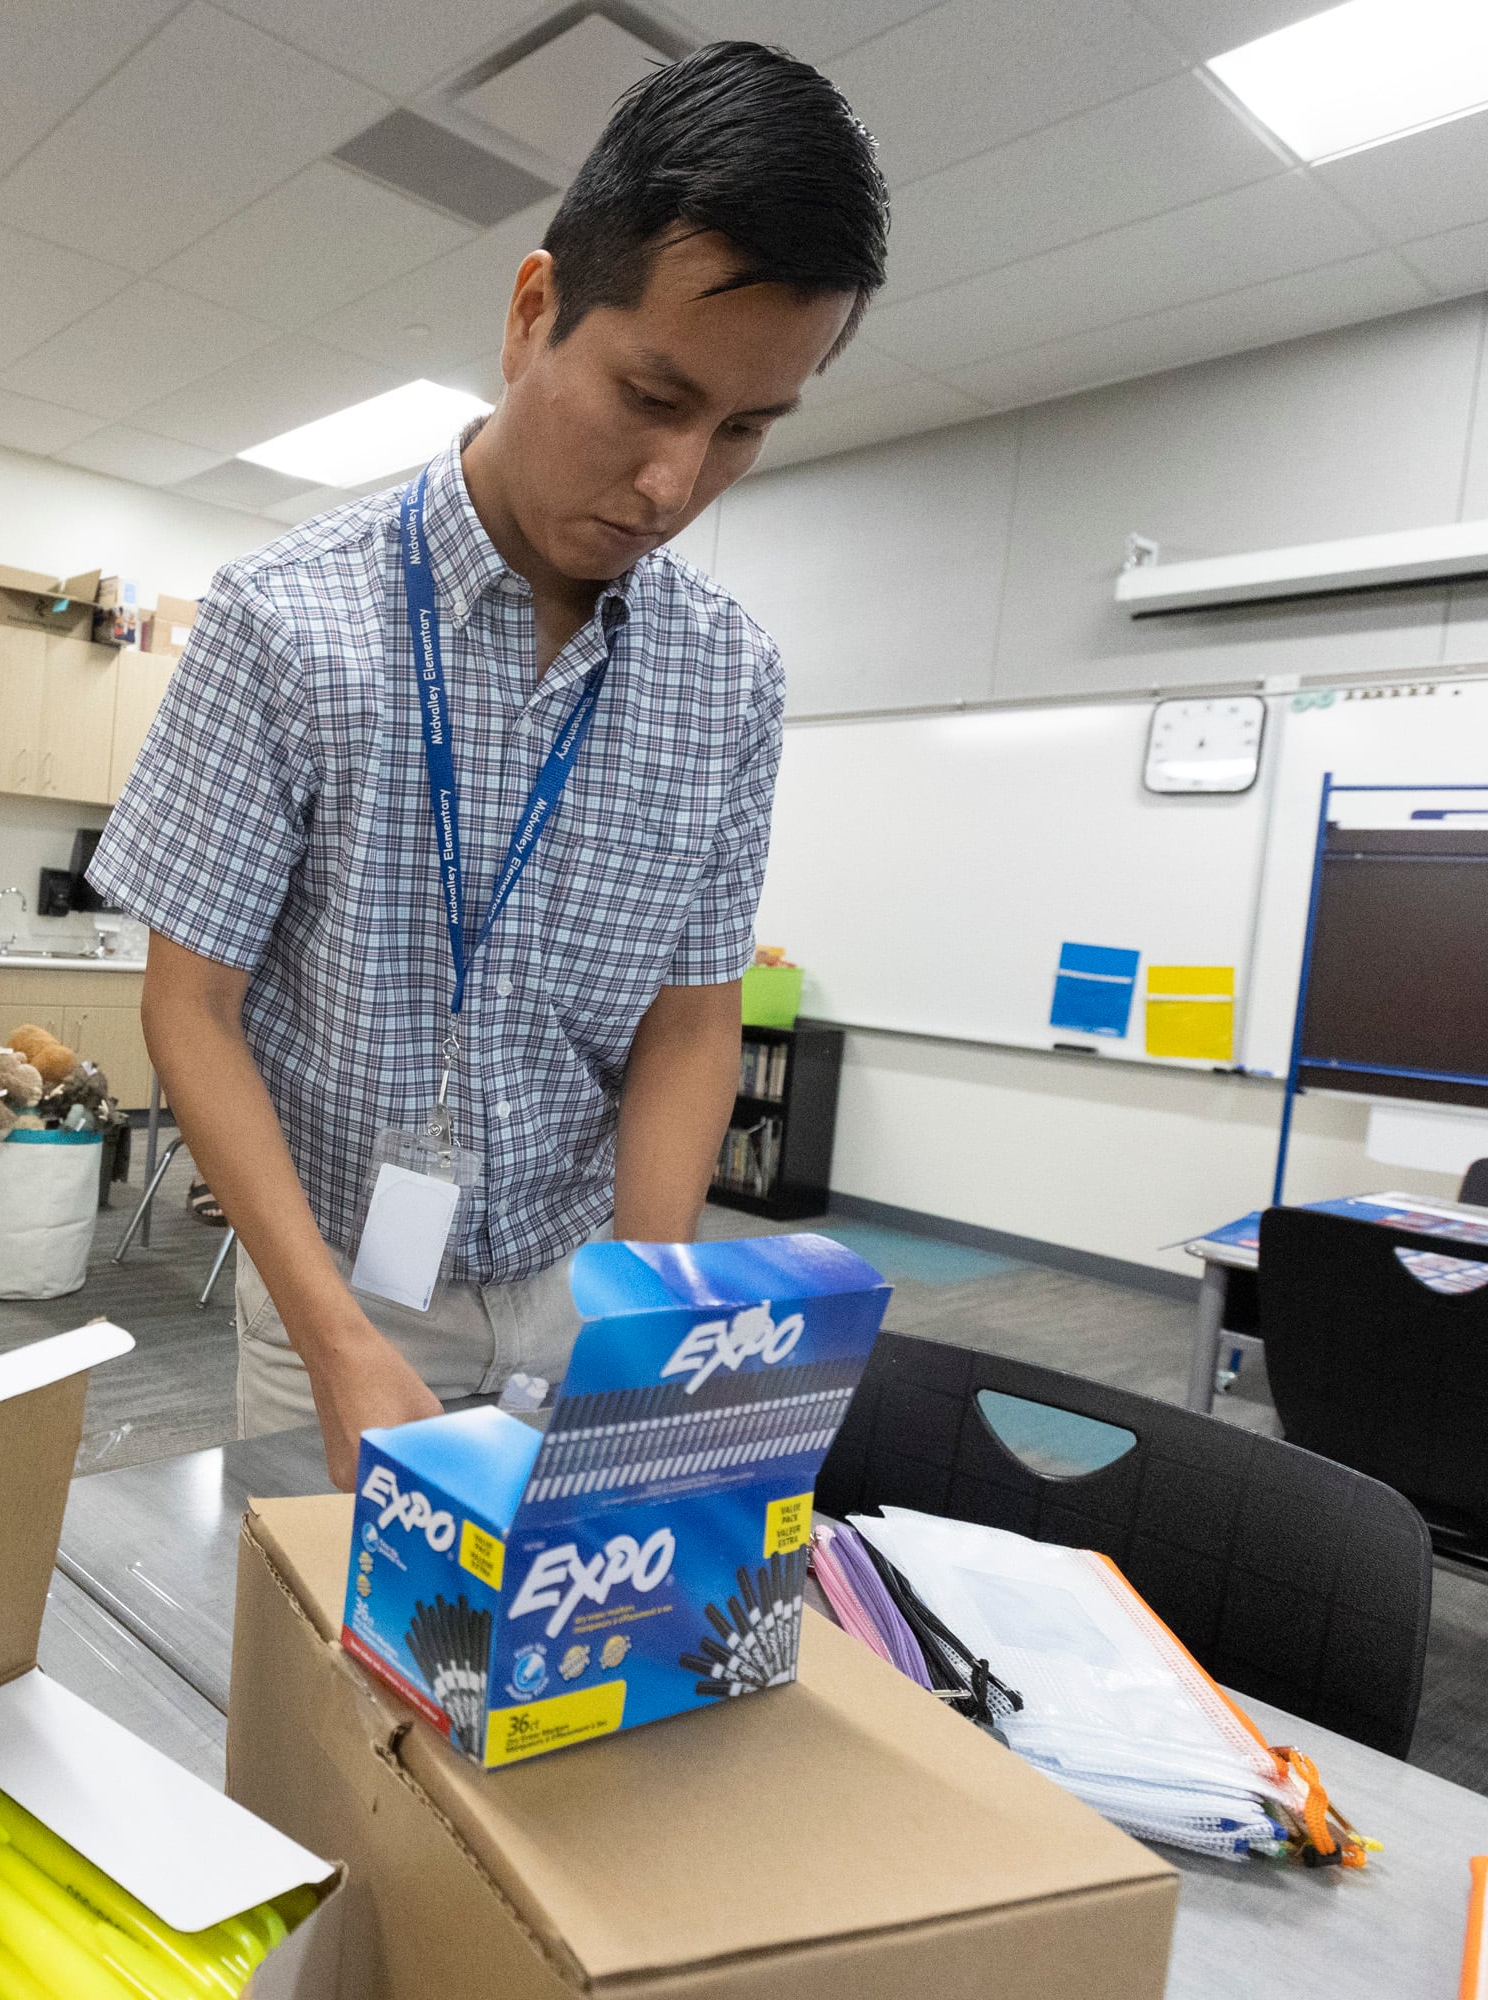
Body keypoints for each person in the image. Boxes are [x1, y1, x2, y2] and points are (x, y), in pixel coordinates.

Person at [85, 42, 889, 1484]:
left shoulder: (729, 678)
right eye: (653, 396)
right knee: (335, 1673)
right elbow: (190, 1009)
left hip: (585, 1277)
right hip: (341, 1288)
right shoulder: (288, 622)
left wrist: (648, 1317)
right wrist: (331, 1336)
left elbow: (694, 1026)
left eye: (745, 430)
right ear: (533, 315)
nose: (677, 484)